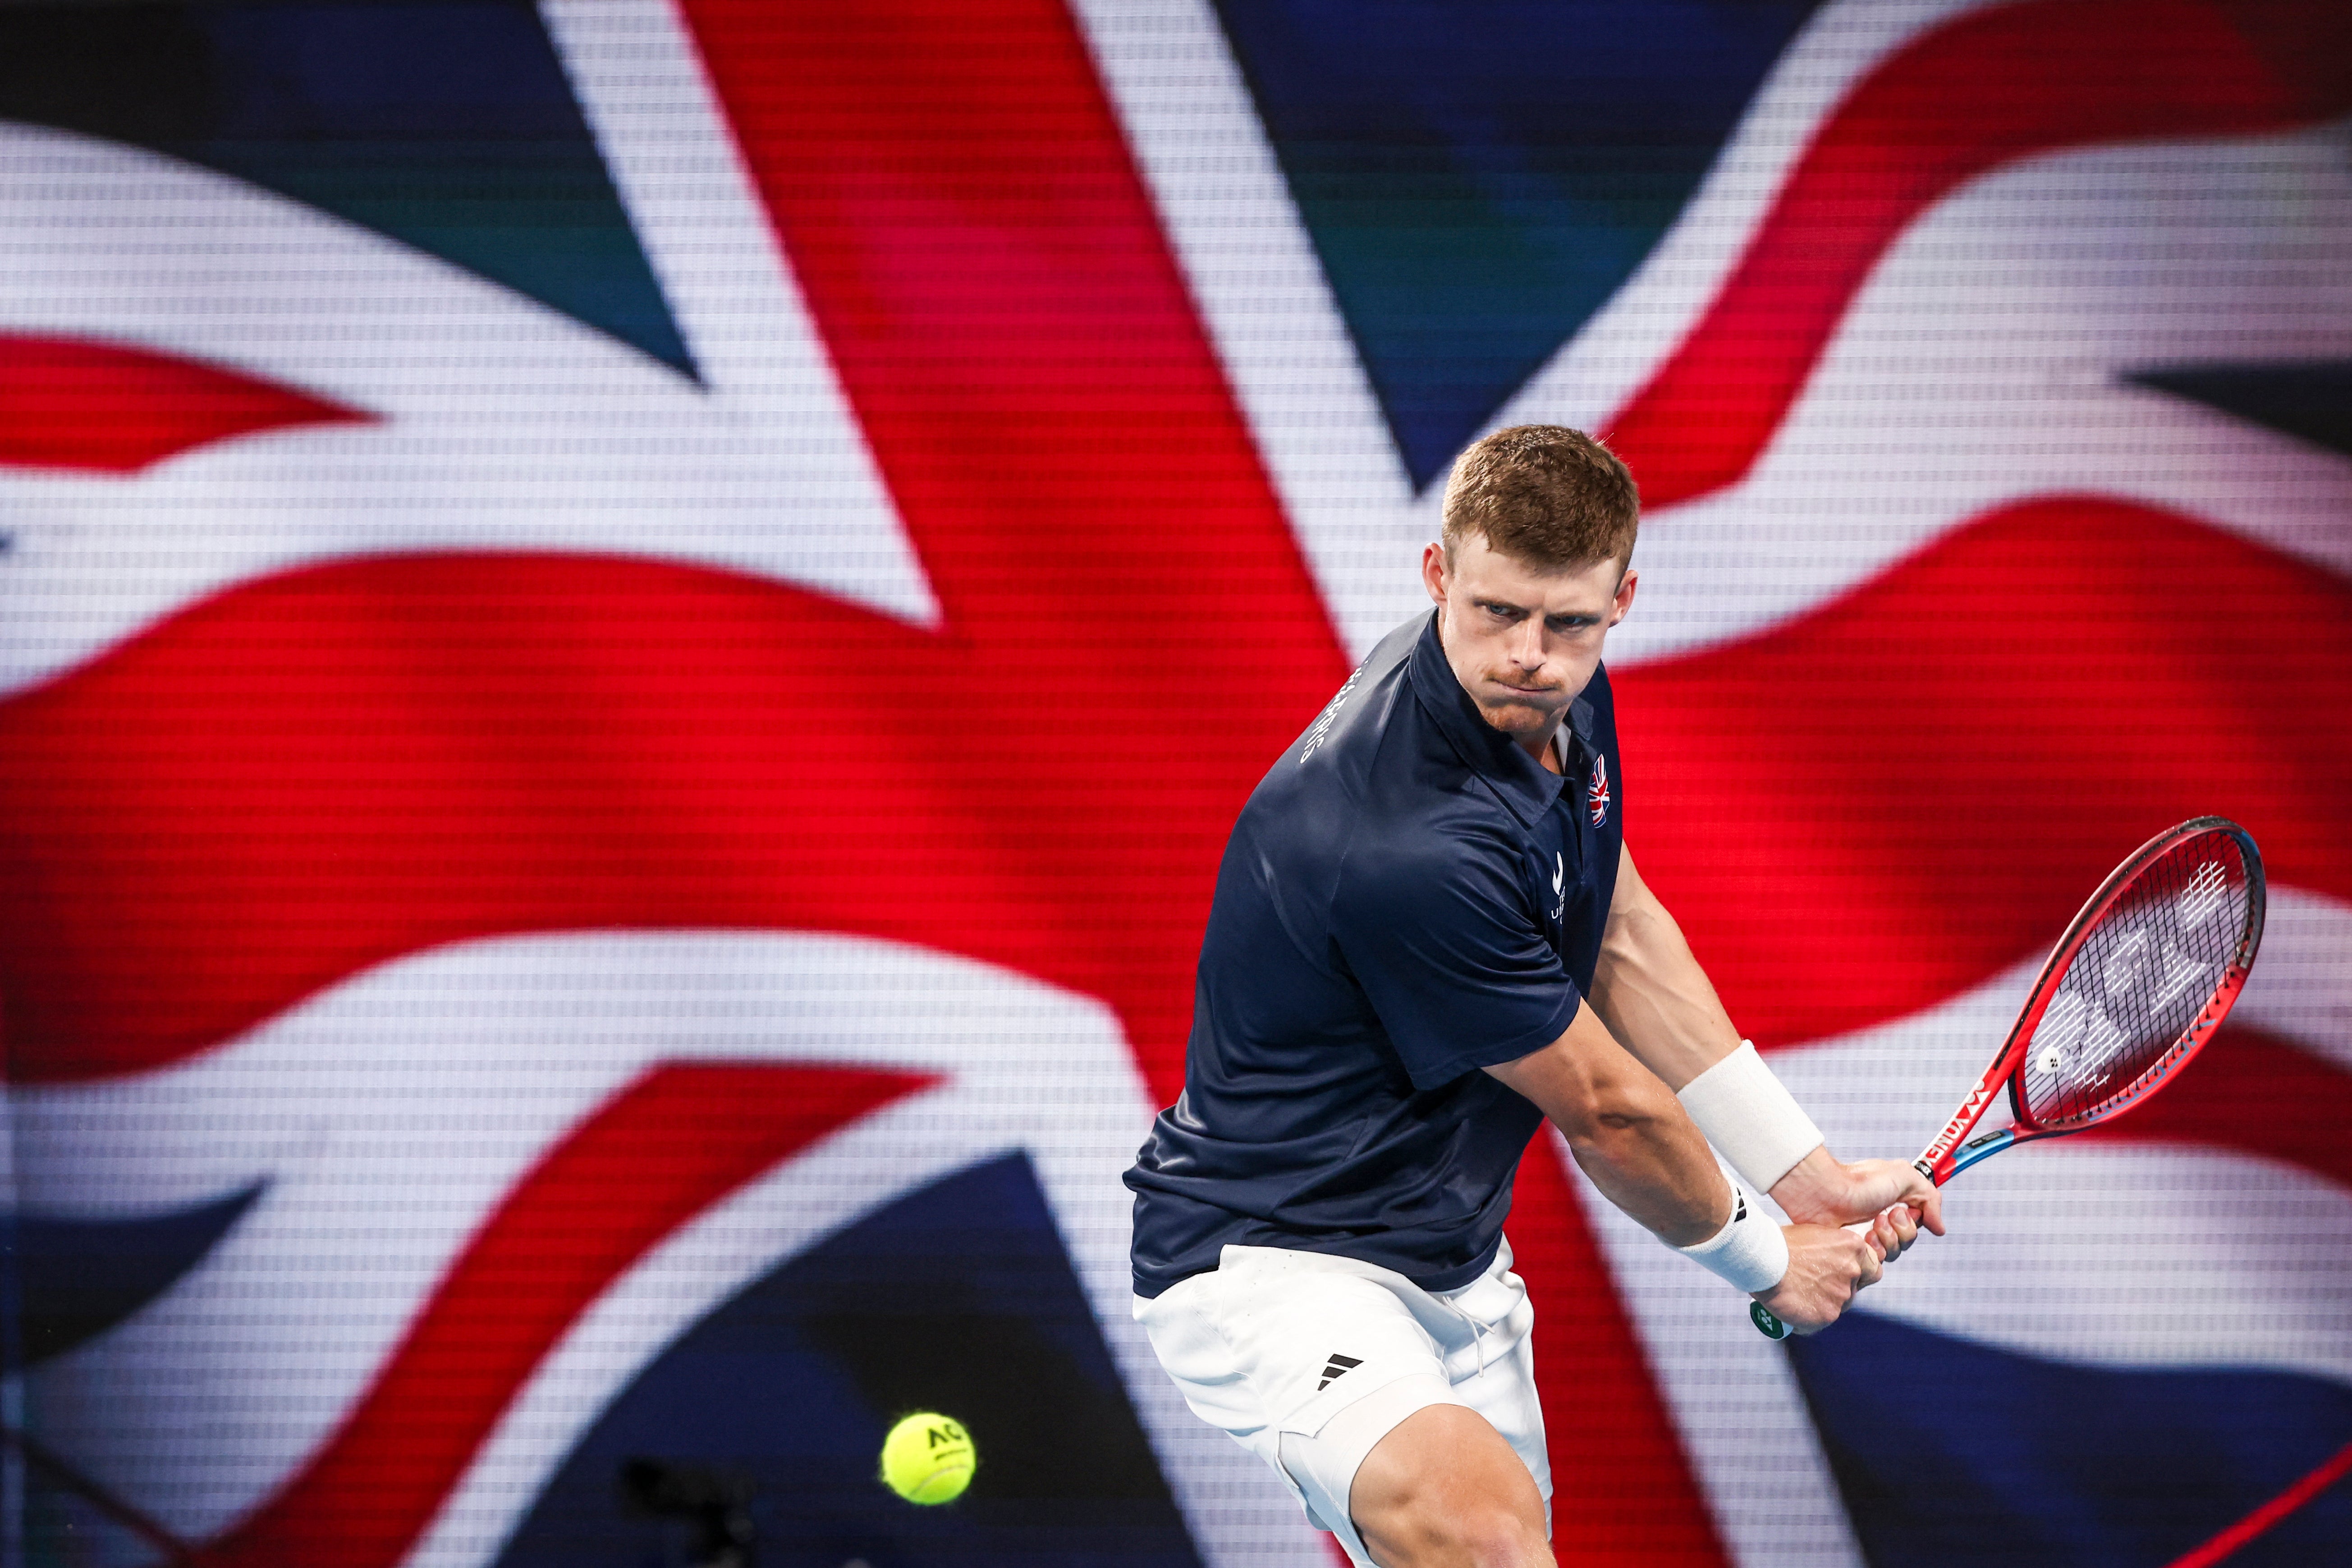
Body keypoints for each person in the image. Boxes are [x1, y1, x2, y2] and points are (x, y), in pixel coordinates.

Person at [1123, 426, 1944, 1568]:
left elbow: (1616, 923)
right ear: (1435, 575)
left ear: (1621, 600)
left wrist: (1808, 1172)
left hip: (1452, 1263)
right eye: (1496, 612)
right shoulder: (1404, 843)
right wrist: (1773, 1258)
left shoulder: (1559, 706)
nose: (1528, 656)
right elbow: (1608, 1108)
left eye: (1567, 623)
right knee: (1482, 1539)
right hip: (1273, 1263)